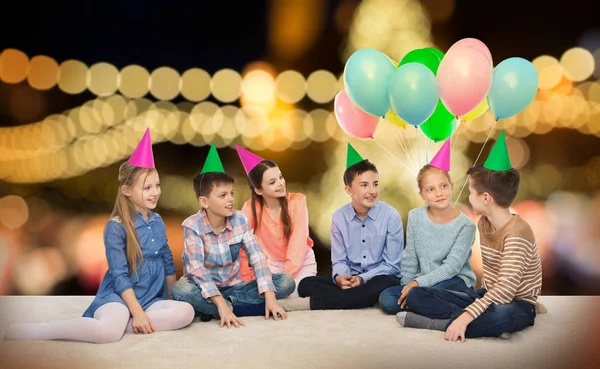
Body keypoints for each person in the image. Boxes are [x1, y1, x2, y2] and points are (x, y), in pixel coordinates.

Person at [4, 128, 194, 343]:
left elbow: (167, 261)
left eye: (157, 185)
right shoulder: (116, 226)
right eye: (147, 187)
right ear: (127, 191)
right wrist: (138, 312)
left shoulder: (157, 221)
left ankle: (128, 325)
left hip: (151, 296)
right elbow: (120, 276)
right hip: (121, 296)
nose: (155, 192)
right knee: (107, 333)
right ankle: (42, 331)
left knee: (185, 312)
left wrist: (168, 297)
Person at [397, 132, 543, 342]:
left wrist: (465, 317)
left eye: (471, 192)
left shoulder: (517, 233)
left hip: (516, 303)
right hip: (485, 296)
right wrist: (472, 308)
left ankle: (436, 323)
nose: (467, 197)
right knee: (417, 295)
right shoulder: (484, 223)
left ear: (485, 198)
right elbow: (491, 288)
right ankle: (482, 324)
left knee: (501, 315)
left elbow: (505, 291)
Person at [171, 143, 294, 328]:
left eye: (231, 193)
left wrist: (269, 295)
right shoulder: (192, 226)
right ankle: (228, 308)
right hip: (202, 288)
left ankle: (212, 309)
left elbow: (257, 256)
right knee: (180, 289)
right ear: (204, 201)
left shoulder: (239, 219)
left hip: (236, 287)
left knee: (286, 282)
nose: (230, 199)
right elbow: (196, 268)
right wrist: (220, 303)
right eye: (222, 195)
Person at [283, 144, 403, 311]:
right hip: (351, 278)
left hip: (379, 277)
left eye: (375, 184)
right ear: (349, 190)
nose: (372, 190)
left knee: (383, 284)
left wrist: (362, 279)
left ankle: (312, 303)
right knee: (306, 284)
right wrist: (340, 277)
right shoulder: (339, 218)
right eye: (364, 185)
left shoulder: (390, 216)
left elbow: (392, 266)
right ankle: (359, 298)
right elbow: (340, 260)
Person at [379, 140, 477, 314]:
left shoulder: (466, 225)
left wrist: (417, 285)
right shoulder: (415, 217)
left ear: (452, 187)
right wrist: (405, 289)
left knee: (418, 295)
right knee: (387, 298)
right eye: (430, 189)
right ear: (422, 194)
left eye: (443, 186)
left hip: (455, 282)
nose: (439, 193)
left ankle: (462, 302)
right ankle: (435, 306)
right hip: (423, 285)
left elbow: (452, 267)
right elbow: (410, 258)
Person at [235, 145, 316, 298]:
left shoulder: (297, 202)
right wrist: (247, 277)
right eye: (272, 182)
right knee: (269, 294)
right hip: (272, 267)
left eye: (280, 177)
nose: (280, 183)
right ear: (259, 190)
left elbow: (297, 246)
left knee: (291, 294)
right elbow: (239, 242)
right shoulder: (251, 208)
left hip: (302, 265)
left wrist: (280, 281)